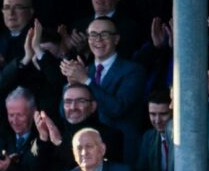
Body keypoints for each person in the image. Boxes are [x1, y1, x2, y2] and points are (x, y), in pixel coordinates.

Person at [59, 17, 145, 162]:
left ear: (116, 39)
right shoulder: (85, 71)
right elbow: (65, 114)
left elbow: (117, 108)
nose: (98, 39)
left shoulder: (133, 71)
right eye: (93, 35)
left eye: (104, 34)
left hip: (122, 151)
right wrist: (72, 85)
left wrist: (86, 81)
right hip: (87, 153)